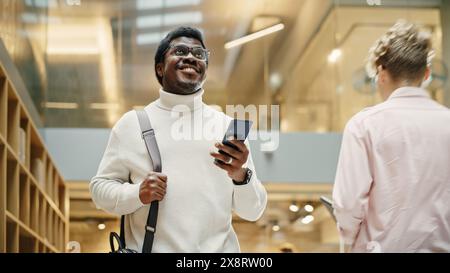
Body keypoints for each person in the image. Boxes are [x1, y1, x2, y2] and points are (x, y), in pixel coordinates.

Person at [90, 26, 267, 252]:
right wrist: (138, 193)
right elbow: (99, 189)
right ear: (160, 68)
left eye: (199, 53)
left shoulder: (225, 127)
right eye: (180, 51)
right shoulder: (132, 124)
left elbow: (253, 211)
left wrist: (241, 175)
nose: (191, 57)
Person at [332, 20, 450, 252]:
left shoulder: (364, 125)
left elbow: (348, 204)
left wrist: (348, 244)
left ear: (381, 73)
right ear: (426, 74)